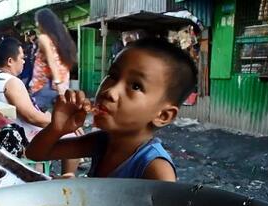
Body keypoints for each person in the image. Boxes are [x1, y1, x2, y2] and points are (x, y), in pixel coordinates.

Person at [26, 38, 198, 181]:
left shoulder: (155, 168)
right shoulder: (101, 142)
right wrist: (57, 128)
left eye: (136, 86)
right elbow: (35, 153)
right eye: (113, 76)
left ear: (163, 115)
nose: (110, 92)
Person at [0, 37, 79, 176]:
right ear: (10, 61)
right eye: (21, 58)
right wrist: (62, 124)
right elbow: (32, 117)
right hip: (20, 136)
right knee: (72, 137)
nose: (24, 61)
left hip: (7, 132)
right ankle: (67, 179)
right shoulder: (11, 82)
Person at [29, 8, 76, 111]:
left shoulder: (43, 38)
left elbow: (52, 61)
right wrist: (61, 89)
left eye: (37, 21)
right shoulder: (62, 38)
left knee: (38, 121)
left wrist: (57, 84)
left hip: (45, 85)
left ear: (43, 22)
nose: (36, 24)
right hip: (62, 85)